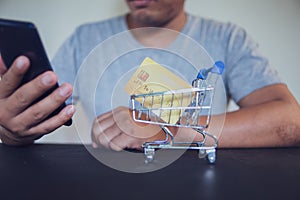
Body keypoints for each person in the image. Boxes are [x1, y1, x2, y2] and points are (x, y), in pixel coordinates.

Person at [0, 0, 299, 149]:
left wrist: (165, 130)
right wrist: (12, 132)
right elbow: (33, 118)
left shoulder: (228, 38)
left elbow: (290, 121)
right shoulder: (84, 38)